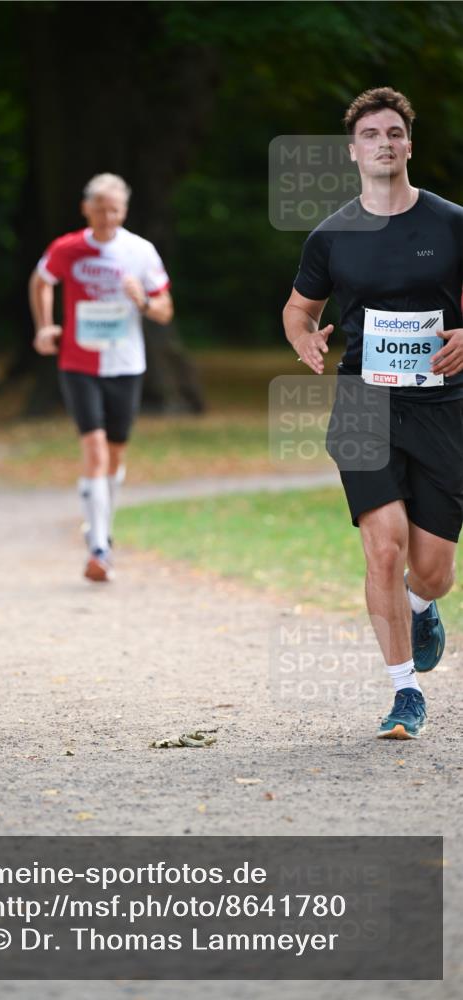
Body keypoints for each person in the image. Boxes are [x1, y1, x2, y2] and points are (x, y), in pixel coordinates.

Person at [282, 88, 463, 739]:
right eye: (369, 135)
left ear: (408, 143)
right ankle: (403, 693)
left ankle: (421, 607)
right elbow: (298, 307)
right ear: (353, 150)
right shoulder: (332, 234)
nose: (382, 143)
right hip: (362, 404)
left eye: (393, 132)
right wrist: (303, 337)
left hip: (442, 407)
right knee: (382, 549)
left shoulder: (450, 223)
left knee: (433, 569)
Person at [29, 173, 174, 582]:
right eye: (100, 209)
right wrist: (44, 325)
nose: (108, 217)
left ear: (124, 211)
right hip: (78, 363)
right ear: (86, 209)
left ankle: (102, 529)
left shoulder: (140, 251)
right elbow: (41, 280)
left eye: (115, 210)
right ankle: (98, 547)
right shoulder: (68, 248)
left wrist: (142, 299)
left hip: (126, 364)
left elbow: (165, 309)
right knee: (93, 452)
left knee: (115, 456)